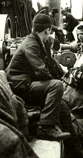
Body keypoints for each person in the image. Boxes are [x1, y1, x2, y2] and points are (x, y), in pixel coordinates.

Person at [6, 13, 70, 141]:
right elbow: (41, 71)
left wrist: (64, 76)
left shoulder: (37, 41)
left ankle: (75, 149)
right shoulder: (31, 44)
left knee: (63, 106)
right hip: (21, 86)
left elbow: (50, 63)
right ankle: (46, 128)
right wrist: (59, 82)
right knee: (56, 86)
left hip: (27, 83)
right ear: (48, 30)